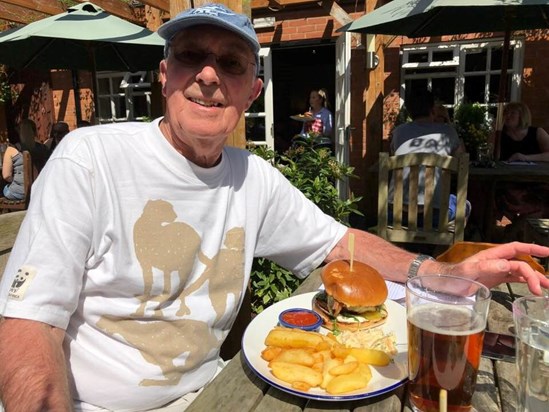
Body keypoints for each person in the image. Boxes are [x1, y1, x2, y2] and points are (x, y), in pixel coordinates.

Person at [0, 4, 547, 411]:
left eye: (231, 64)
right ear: (163, 75)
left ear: (251, 93)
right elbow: (30, 325)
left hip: (208, 395)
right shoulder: (90, 158)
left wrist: (444, 274)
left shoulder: (253, 179)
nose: (210, 75)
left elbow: (343, 245)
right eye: (191, 56)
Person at [389, 90, 469, 225]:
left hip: (396, 215)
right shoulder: (447, 131)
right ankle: (442, 245)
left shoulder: (398, 132)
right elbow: (461, 162)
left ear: (409, 112)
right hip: (434, 218)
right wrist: (448, 122)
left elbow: (392, 156)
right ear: (433, 110)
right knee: (465, 205)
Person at [494, 101, 549, 223]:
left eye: (512, 113)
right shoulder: (500, 135)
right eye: (505, 113)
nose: (507, 116)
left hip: (535, 181)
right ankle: (518, 225)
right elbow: (493, 157)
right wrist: (496, 131)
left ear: (522, 116)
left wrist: (526, 157)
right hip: (508, 182)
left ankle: (524, 226)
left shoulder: (537, 132)